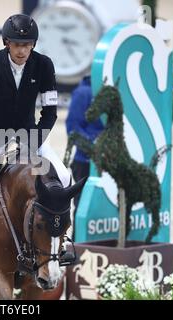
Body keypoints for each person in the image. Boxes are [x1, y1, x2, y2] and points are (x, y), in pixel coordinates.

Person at [0, 13, 71, 269]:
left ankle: (64, 241)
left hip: (29, 136)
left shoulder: (44, 66)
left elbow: (50, 113)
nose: (22, 50)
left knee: (63, 175)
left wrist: (33, 141)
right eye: (18, 45)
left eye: (28, 45)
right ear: (7, 43)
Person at [65, 75, 103, 239]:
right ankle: (78, 244)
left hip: (111, 160)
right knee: (83, 207)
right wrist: (95, 146)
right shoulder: (83, 93)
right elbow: (73, 127)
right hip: (86, 162)